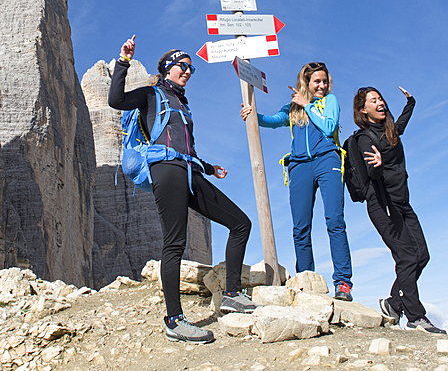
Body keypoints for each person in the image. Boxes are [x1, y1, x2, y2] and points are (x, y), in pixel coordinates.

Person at [109, 35, 253, 344]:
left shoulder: (182, 104)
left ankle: (230, 294)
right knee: (175, 243)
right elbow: (116, 101)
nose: (188, 71)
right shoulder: (151, 94)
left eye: (191, 68)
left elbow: (185, 147)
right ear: (167, 69)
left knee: (241, 223)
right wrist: (123, 61)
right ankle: (174, 320)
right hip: (166, 170)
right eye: (182, 66)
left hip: (189, 170)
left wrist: (210, 167)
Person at [240, 61, 354, 301]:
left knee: (335, 221)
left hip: (327, 161)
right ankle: (306, 279)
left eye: (324, 81)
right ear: (306, 82)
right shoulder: (293, 107)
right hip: (299, 166)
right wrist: (252, 115)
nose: (322, 85)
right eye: (317, 82)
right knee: (300, 228)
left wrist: (308, 106)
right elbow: (273, 120)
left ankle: (343, 283)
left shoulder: (329, 102)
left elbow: (328, 126)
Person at [351, 85, 446, 334]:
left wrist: (411, 102)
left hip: (402, 203)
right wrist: (378, 166)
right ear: (363, 110)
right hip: (383, 205)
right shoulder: (364, 138)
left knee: (421, 256)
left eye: (380, 98)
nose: (380, 102)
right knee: (406, 257)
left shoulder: (390, 131)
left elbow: (401, 124)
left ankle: (394, 304)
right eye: (373, 100)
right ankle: (416, 317)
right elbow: (371, 172)